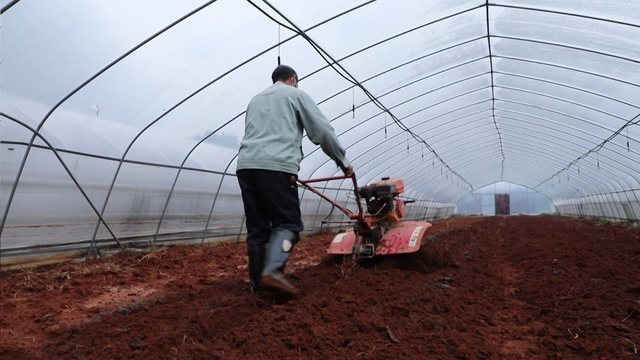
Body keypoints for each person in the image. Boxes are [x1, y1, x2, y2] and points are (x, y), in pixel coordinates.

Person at [236, 65, 353, 295]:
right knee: (289, 226)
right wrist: (343, 163)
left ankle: (257, 287)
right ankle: (273, 271)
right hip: (276, 167)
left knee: (258, 228)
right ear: (294, 79)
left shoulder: (255, 100)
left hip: (246, 166)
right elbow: (323, 132)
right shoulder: (296, 95)